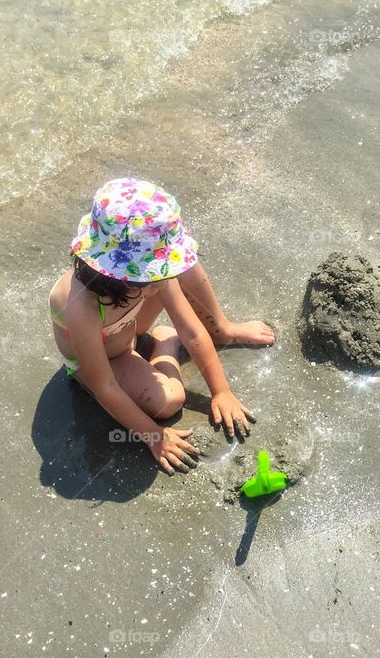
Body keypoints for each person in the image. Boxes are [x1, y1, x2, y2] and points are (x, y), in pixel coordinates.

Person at [49, 178, 275, 474]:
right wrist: (154, 436)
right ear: (127, 276)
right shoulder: (80, 306)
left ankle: (221, 328)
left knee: (188, 268)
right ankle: (164, 345)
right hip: (102, 358)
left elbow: (193, 332)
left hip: (127, 325)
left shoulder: (141, 280)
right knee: (170, 401)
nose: (164, 276)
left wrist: (221, 392)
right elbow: (105, 385)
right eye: (156, 270)